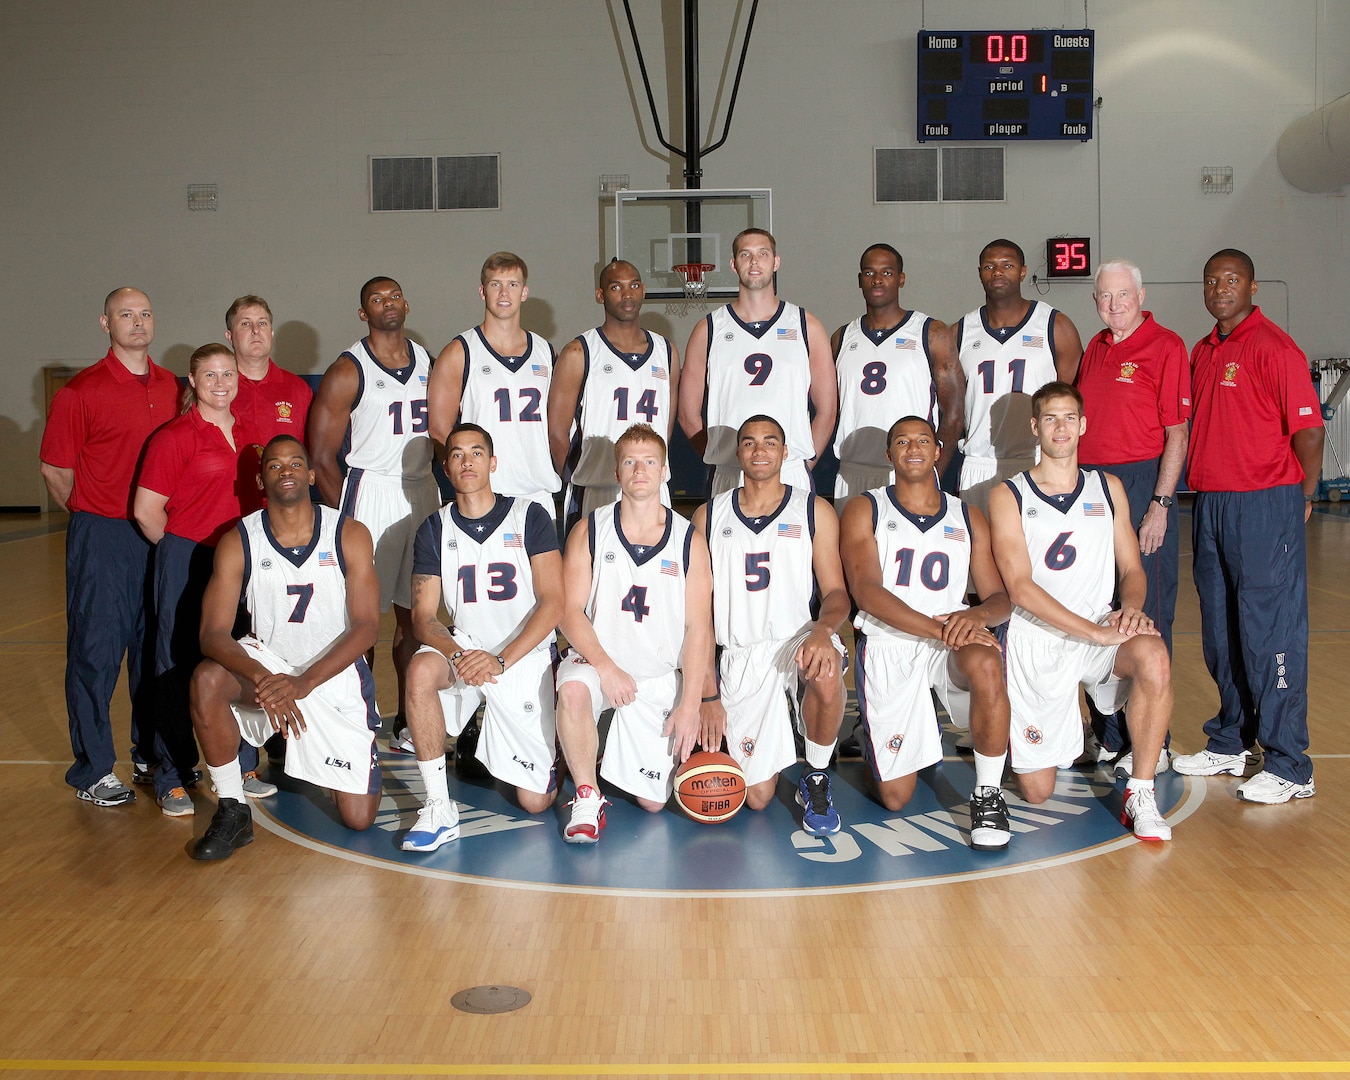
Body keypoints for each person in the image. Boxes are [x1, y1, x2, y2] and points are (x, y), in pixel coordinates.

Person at [987, 381, 1173, 841]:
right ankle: (1038, 734)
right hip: (1037, 639)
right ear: (1035, 427)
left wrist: (1130, 610)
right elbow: (1020, 588)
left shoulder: (1107, 488)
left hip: (1101, 631)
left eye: (1069, 417)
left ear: (1083, 424)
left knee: (1153, 655)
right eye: (1050, 418)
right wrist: (1092, 632)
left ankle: (1141, 791)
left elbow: (1131, 566)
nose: (1061, 427)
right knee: (1036, 791)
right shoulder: (1008, 495)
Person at [1171, 249, 1324, 804]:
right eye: (1211, 280)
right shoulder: (1205, 349)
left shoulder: (1274, 348)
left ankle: (1290, 763)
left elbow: (1308, 433)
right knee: (1221, 630)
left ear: (1253, 287)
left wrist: (1301, 495)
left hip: (1265, 503)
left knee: (1269, 633)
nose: (1219, 288)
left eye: (1231, 280)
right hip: (1212, 503)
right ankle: (1233, 739)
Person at [188, 436, 383, 860]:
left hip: (330, 675)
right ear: (261, 480)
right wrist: (264, 676)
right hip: (271, 667)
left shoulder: (348, 532)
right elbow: (213, 633)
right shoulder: (239, 540)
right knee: (207, 678)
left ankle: (314, 752)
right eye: (274, 466)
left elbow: (368, 626)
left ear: (312, 475)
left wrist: (303, 682)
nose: (286, 471)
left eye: (296, 463)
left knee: (359, 817)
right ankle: (232, 806)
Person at [839, 416, 1014, 850]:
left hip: (948, 641)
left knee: (988, 660)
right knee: (896, 799)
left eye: (923, 441)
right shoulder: (867, 507)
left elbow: (999, 597)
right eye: (902, 441)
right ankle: (875, 739)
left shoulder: (968, 515)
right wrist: (943, 628)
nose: (913, 448)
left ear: (938, 451)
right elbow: (866, 592)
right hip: (891, 641)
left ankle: (988, 793)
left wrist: (976, 619)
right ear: (888, 455)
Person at [39, 287, 180, 806]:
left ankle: (147, 752)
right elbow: (56, 470)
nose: (138, 323)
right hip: (102, 536)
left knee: (154, 650)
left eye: (145, 313)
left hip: (160, 534)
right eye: (126, 314)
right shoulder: (80, 392)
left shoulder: (173, 387)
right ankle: (93, 769)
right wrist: (90, 518)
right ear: (106, 323)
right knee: (96, 655)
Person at [399, 423, 564, 852]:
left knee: (535, 802)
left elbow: (553, 603)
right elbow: (422, 617)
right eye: (456, 454)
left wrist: (502, 660)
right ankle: (438, 806)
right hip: (467, 648)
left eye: (476, 452)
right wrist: (459, 655)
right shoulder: (434, 529)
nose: (467, 461)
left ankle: (559, 744)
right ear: (446, 468)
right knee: (419, 670)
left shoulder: (530, 515)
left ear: (492, 463)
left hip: (522, 653)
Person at [691, 415, 850, 835]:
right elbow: (698, 615)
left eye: (770, 442)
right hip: (741, 652)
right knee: (757, 797)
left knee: (827, 664)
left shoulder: (814, 510)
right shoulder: (709, 516)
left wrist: (822, 631)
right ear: (738, 452)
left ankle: (815, 775)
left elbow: (837, 594)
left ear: (785, 451)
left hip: (797, 639)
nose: (759, 451)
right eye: (749, 443)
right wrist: (708, 692)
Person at [554, 424, 713, 842]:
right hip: (598, 662)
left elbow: (700, 629)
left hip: (656, 677)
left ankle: (605, 745)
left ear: (665, 471)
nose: (639, 470)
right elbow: (568, 611)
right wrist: (605, 667)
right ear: (616, 471)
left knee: (655, 803)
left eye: (649, 462)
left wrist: (691, 705)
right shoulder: (589, 529)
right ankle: (587, 796)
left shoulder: (689, 541)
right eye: (630, 462)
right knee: (572, 689)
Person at [308, 277, 439, 750]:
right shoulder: (349, 368)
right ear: (363, 313)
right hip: (370, 492)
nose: (387, 304)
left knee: (415, 617)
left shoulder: (429, 360)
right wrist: (343, 519)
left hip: (421, 491)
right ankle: (351, 716)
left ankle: (408, 718)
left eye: (393, 296)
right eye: (375, 300)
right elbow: (320, 455)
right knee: (358, 618)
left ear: (407, 302)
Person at [1074, 260, 1192, 773]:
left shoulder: (1166, 347)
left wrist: (1160, 506)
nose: (1114, 305)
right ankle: (1108, 733)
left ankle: (1152, 743)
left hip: (1143, 486)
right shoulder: (1096, 348)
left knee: (1146, 616)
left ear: (1141, 295)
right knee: (1099, 608)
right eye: (1105, 296)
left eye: (1123, 295)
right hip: (1093, 488)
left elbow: (1177, 435)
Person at [134, 344, 261, 815]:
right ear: (193, 381)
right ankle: (172, 775)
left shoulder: (252, 435)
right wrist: (183, 550)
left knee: (241, 659)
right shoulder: (175, 437)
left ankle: (243, 764)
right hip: (188, 556)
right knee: (177, 663)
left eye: (228, 373)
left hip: (244, 560)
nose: (221, 382)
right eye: (210, 375)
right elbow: (146, 512)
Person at [223, 292, 313, 781]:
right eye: (244, 324)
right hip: (229, 539)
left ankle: (290, 744)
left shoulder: (296, 390)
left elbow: (310, 462)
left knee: (285, 639)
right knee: (237, 644)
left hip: (287, 542)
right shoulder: (219, 384)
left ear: (271, 332)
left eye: (262, 323)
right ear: (230, 335)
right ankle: (241, 760)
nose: (255, 331)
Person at [677, 229, 837, 496]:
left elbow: (827, 410)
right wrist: (721, 455)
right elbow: (687, 414)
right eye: (745, 255)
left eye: (762, 254)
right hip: (731, 471)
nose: (754, 262)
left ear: (776, 262)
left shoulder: (806, 325)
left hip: (789, 469)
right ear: (733, 264)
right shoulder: (709, 329)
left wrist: (804, 462)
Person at [547, 259, 681, 529]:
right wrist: (583, 475)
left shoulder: (666, 352)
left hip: (652, 488)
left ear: (643, 290)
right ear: (600, 295)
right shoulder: (579, 352)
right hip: (597, 488)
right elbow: (556, 432)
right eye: (616, 287)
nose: (627, 294)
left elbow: (664, 429)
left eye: (633, 285)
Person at [428, 252, 560, 518]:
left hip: (538, 492)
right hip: (485, 494)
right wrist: (469, 477)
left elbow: (557, 426)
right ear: (482, 291)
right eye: (495, 284)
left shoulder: (545, 351)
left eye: (512, 284)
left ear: (524, 292)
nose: (504, 293)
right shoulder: (460, 351)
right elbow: (439, 429)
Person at [955, 240, 1083, 511]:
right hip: (980, 462)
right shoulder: (961, 331)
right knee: (980, 551)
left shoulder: (1054, 325)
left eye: (1007, 265)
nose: (998, 272)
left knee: (1033, 552)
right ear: (980, 272)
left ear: (1023, 272)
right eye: (990, 266)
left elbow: (1069, 399)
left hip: (1036, 459)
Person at [831, 244, 962, 506]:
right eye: (869, 273)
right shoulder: (842, 337)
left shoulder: (931, 332)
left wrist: (932, 470)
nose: (877, 280)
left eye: (887, 273)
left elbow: (954, 412)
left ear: (901, 279)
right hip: (852, 471)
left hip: (908, 471)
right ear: (860, 280)